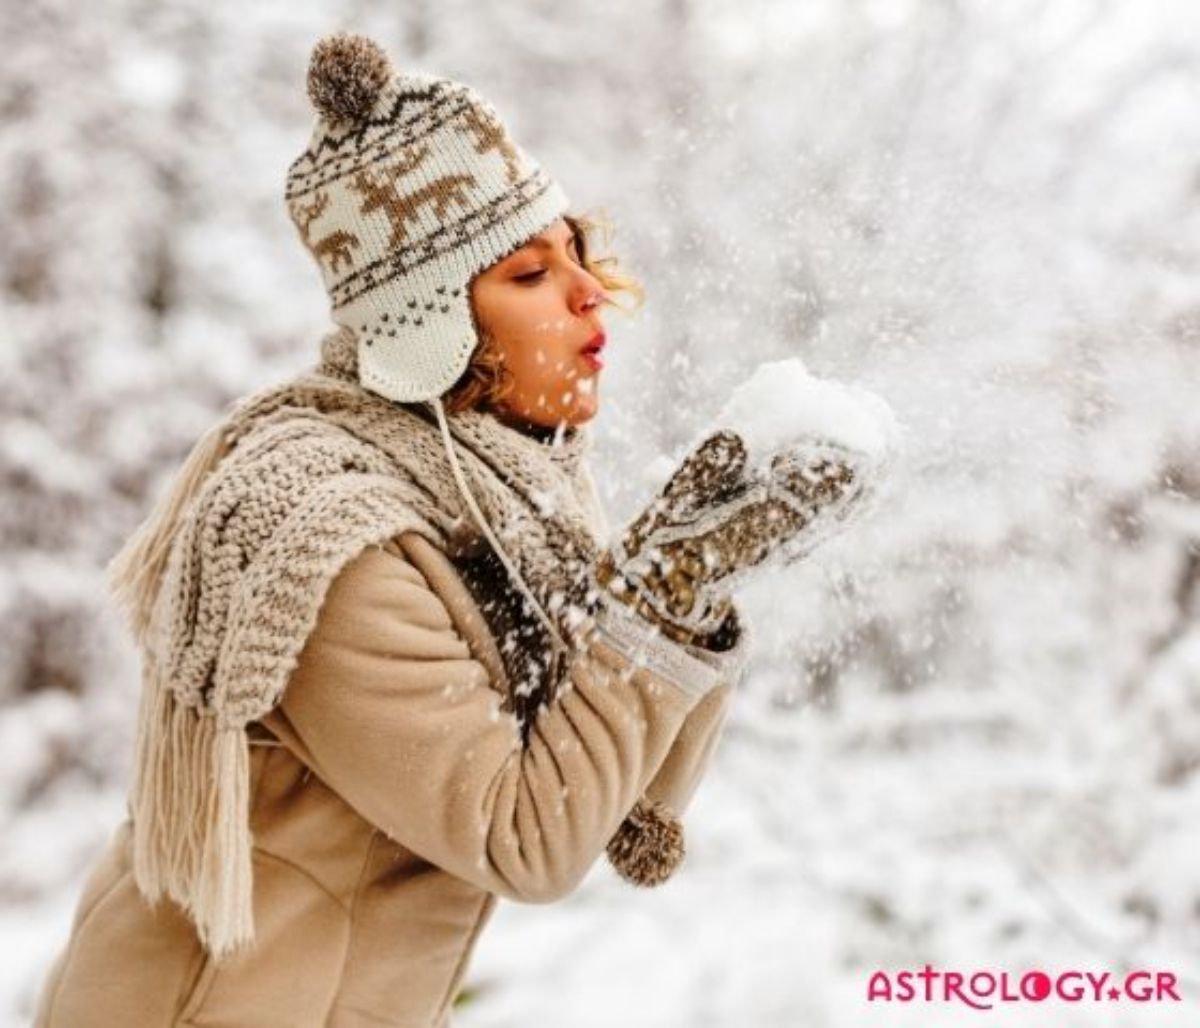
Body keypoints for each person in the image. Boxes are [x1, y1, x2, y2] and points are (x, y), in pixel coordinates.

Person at [31, 32, 874, 1028]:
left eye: (577, 253)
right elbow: (529, 834)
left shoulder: (507, 497)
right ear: (430, 324)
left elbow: (621, 787)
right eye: (528, 273)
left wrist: (693, 580)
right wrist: (653, 595)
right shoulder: (323, 532)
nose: (587, 291)